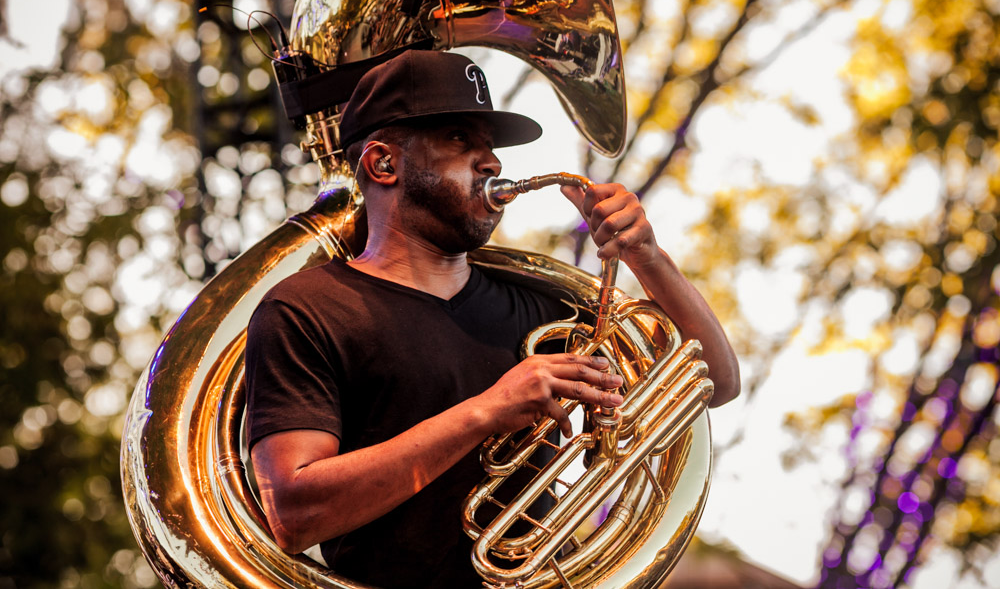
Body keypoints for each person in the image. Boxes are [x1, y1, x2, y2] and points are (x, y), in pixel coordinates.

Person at [244, 50, 740, 588]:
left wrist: (646, 254)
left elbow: (713, 380)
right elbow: (295, 514)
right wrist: (488, 411)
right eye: (459, 139)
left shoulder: (541, 304)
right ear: (383, 164)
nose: (492, 163)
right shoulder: (305, 309)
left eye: (491, 146)